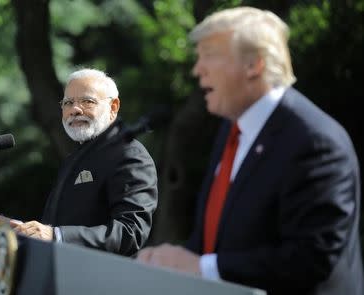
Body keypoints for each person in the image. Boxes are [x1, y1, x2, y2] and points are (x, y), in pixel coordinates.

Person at [137, 6, 363, 295]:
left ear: (254, 65)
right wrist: (171, 262)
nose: (197, 69)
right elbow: (216, 239)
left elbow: (312, 258)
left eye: (209, 55)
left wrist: (203, 267)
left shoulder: (316, 142)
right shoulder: (232, 129)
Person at [0, 68, 158, 256]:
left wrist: (56, 235)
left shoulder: (130, 155)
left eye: (87, 101)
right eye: (68, 103)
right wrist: (5, 225)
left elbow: (130, 233)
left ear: (113, 107)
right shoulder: (75, 159)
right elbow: (51, 232)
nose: (75, 109)